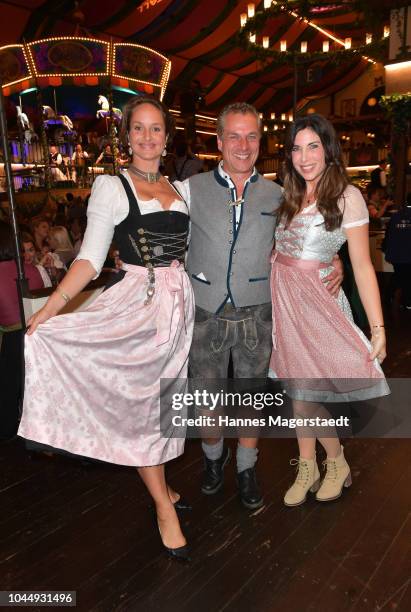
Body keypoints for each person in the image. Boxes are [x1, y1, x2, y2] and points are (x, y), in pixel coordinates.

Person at [18, 96, 194, 561]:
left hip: (179, 310)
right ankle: (161, 506)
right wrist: (52, 308)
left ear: (166, 136)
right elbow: (91, 258)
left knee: (164, 402)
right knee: (142, 405)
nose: (148, 137)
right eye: (139, 128)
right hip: (139, 306)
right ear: (126, 135)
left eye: (156, 128)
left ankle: (163, 487)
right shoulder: (112, 188)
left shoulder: (182, 188)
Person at [175, 103, 343, 510]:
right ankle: (214, 460)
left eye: (251, 136)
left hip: (258, 312)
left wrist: (334, 259)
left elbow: (303, 240)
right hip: (205, 311)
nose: (243, 145)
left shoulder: (279, 195)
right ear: (218, 141)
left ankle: (246, 467)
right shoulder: (189, 189)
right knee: (207, 402)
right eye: (234, 135)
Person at [269, 113, 389, 507]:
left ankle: (333, 461)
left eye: (313, 147)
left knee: (308, 394)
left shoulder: (346, 196)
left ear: (329, 150)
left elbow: (362, 263)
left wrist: (377, 327)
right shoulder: (288, 193)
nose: (305, 157)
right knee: (297, 390)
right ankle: (309, 465)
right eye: (297, 148)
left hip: (317, 306)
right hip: (287, 304)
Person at [0, 222, 44, 439]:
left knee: (7, 388)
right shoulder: (33, 270)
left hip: (10, 339)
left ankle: (7, 430)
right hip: (36, 336)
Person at [383, 192, 411, 309]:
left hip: (396, 254)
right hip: (408, 254)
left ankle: (388, 298)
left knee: (400, 276)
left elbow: (388, 236)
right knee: (405, 278)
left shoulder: (396, 216)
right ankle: (407, 302)